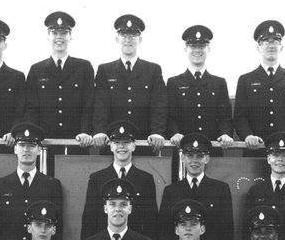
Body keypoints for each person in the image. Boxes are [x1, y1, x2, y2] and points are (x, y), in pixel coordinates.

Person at [92, 14, 167, 150]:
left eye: (133, 36)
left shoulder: (153, 70)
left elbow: (158, 105)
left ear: (140, 39)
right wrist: (100, 131)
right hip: (113, 140)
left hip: (143, 140)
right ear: (117, 39)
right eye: (124, 36)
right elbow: (100, 104)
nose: (128, 40)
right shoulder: (105, 70)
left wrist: (157, 132)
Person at [233, 20, 285, 149]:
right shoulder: (246, 80)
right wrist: (248, 136)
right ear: (258, 47)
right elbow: (240, 117)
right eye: (266, 41)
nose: (271, 45)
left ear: (281, 47)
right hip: (255, 148)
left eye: (275, 41)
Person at [0, 122, 64, 240]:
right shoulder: (0, 185)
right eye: (21, 145)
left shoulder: (52, 185)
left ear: (39, 150)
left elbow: (57, 226)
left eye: (31, 145)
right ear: (15, 149)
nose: (26, 149)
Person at [80, 120, 158, 240]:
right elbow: (89, 220)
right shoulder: (97, 178)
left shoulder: (146, 179)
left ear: (133, 146)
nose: (121, 147)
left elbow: (151, 221)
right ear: (111, 146)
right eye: (117, 142)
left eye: (126, 142)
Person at [24, 11, 94, 148]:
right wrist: (34, 135)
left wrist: (85, 132)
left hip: (77, 141)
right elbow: (32, 108)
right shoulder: (36, 69)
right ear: (48, 36)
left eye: (64, 33)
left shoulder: (84, 67)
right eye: (54, 33)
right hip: (45, 141)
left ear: (70, 36)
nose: (59, 37)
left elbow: (89, 104)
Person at [157, 133, 234, 240]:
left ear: (207, 159)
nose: (194, 161)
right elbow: (164, 231)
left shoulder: (221, 189)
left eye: (200, 156)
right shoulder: (171, 191)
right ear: (183, 158)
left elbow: (226, 231)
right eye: (190, 156)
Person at [166, 25, 233, 147]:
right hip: (183, 147)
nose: (197, 50)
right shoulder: (174, 82)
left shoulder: (219, 83)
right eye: (193, 46)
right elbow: (170, 116)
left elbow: (225, 117)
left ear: (208, 49)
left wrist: (225, 134)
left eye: (202, 46)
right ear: (186, 49)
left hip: (211, 147)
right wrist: (174, 133)